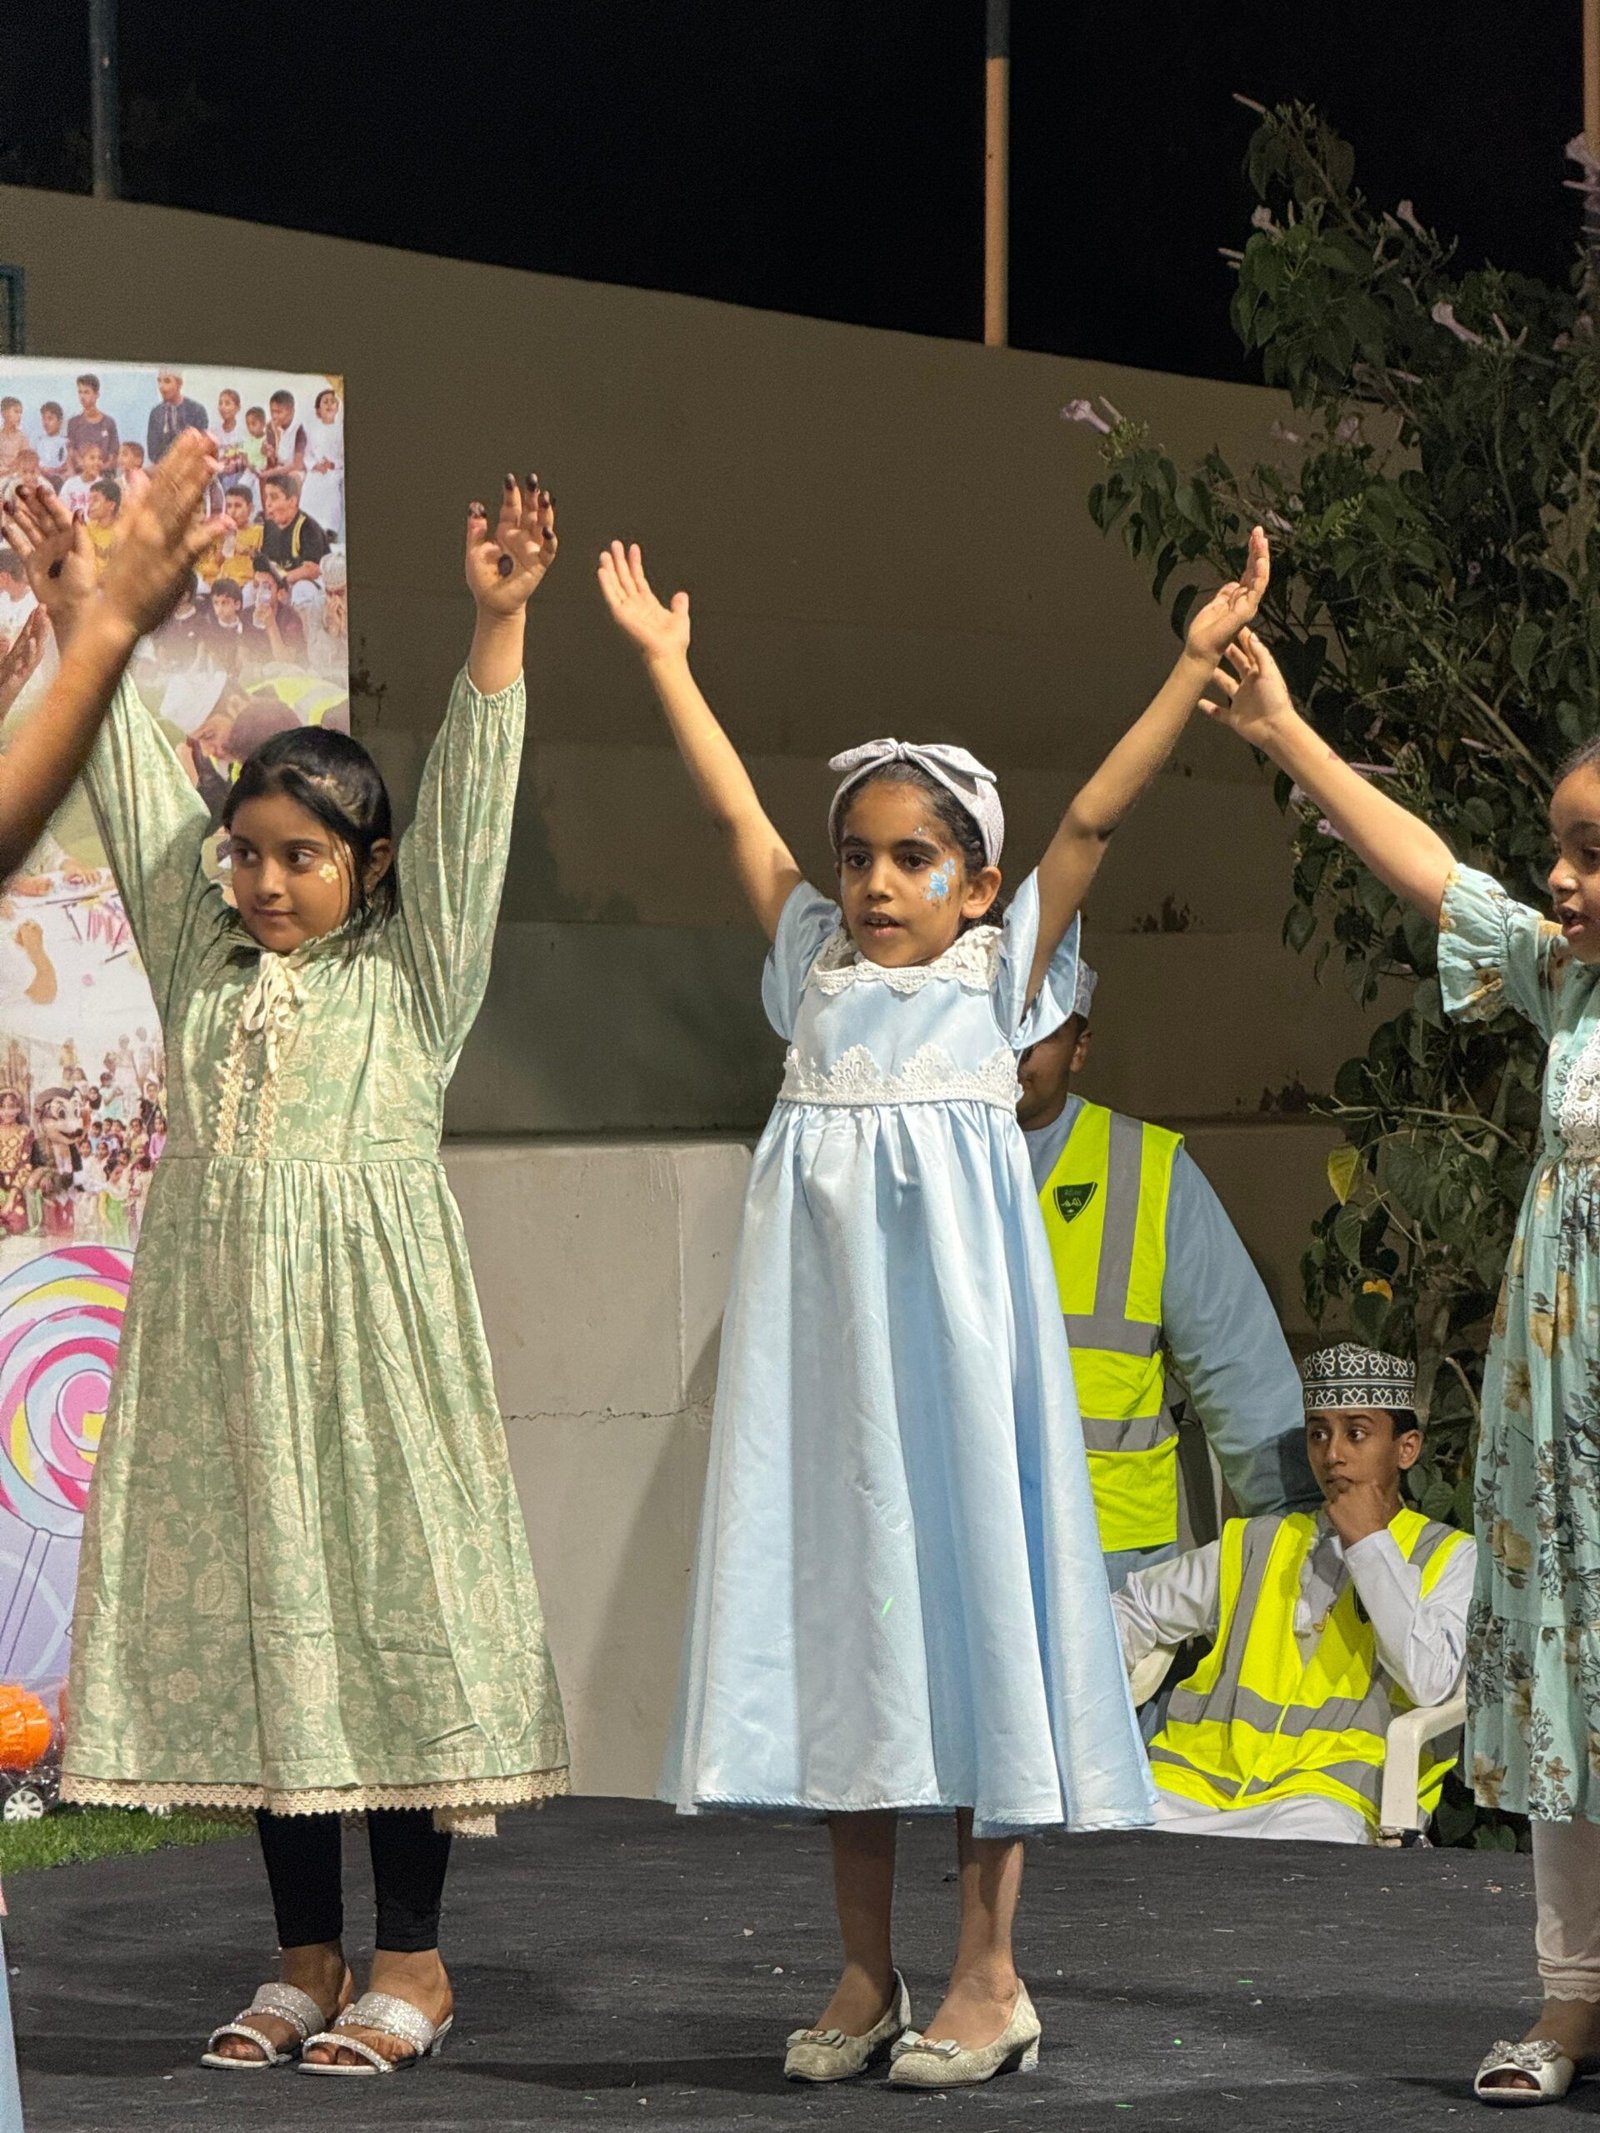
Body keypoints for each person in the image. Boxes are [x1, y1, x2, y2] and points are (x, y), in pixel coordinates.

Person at [599, 525, 1272, 2089]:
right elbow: (733, 813)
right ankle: (863, 1970)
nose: (877, 882)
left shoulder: (996, 979)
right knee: (855, 1654)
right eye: (859, 857)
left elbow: (1095, 814)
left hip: (961, 1383)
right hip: (835, 1388)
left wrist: (1189, 665)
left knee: (973, 1650)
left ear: (975, 882)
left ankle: (989, 1972)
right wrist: (669, 668)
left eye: (913, 859)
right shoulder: (811, 973)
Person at [14, 471, 569, 2077]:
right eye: (247, 854)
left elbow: (473, 810)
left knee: (379, 1626)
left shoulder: (414, 979)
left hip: (369, 1354)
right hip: (228, 1354)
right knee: (280, 1642)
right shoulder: (199, 959)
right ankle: (305, 1961)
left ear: (370, 869)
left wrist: (499, 623)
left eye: (303, 857)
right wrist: (78, 614)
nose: (264, 882)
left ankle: (414, 1964)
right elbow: (132, 785)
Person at [1199, 617, 1600, 2104]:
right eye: (1558, 848)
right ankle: (1572, 1999)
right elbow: (1437, 876)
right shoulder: (1568, 985)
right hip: (1562, 1422)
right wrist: (1284, 732)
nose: (1560, 878)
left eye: (1591, 852)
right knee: (1564, 1689)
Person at [1019, 962, 1315, 1592]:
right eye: (999, 1023)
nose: (1013, 1050)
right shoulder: (907, 1161)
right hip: (955, 1544)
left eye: (1038, 1030)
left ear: (1079, 1048)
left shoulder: (1146, 1169)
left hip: (1114, 1566)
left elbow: (1242, 1373)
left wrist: (1300, 1543)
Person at [1113, 1341, 1475, 1843]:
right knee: (1106, 1842)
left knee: (1305, 1862)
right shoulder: (1258, 1542)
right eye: (1318, 1434)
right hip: (1192, 1783)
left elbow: (1431, 1683)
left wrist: (1371, 1545)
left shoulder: (1450, 1556)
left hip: (1329, 1796)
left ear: (1406, 1449)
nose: (1333, 1454)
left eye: (1356, 1433)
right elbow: (1132, 1610)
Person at [300, 388, 344, 537]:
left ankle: (330, 528)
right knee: (310, 486)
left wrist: (332, 464)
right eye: (325, 402)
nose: (330, 405)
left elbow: (342, 456)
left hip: (334, 470)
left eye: (333, 402)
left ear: (337, 407)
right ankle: (308, 527)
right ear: (318, 410)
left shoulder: (341, 429)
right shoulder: (312, 430)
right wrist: (315, 465)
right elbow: (307, 453)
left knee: (331, 487)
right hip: (316, 469)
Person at [146, 369, 210, 463]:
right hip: (164, 468)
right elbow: (153, 453)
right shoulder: (156, 413)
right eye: (159, 381)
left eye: (167, 381)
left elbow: (200, 448)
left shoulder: (197, 410)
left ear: (179, 384)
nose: (161, 387)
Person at [67, 374, 119, 472]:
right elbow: (71, 451)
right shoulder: (73, 423)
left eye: (86, 392)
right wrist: (84, 467)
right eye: (80, 392)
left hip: (104, 474)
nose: (82, 396)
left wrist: (100, 468)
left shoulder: (109, 423)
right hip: (80, 474)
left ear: (97, 395)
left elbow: (114, 455)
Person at [36, 403, 68, 487]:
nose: (46, 422)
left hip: (56, 477)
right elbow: (37, 461)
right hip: (41, 476)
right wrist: (42, 469)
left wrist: (56, 470)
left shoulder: (64, 442)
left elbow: (65, 463)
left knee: (57, 481)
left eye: (50, 418)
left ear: (60, 422)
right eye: (44, 419)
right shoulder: (40, 441)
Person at [0, 400, 30, 483]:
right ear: (4, 413)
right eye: (16, 411)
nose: (19, 416)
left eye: (20, 413)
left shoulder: (22, 437)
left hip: (18, 474)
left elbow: (26, 460)